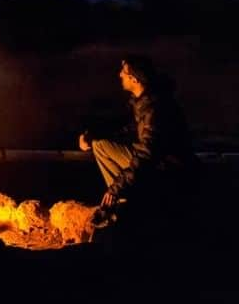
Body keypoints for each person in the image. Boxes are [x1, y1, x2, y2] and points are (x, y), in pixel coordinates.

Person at [78, 54, 197, 214]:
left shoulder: (154, 109)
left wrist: (116, 188)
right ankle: (124, 203)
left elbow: (146, 155)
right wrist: (92, 134)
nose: (120, 74)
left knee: (103, 148)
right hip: (160, 164)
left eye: (124, 72)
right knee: (100, 145)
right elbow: (124, 125)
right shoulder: (143, 100)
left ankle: (124, 205)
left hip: (169, 170)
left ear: (135, 80)